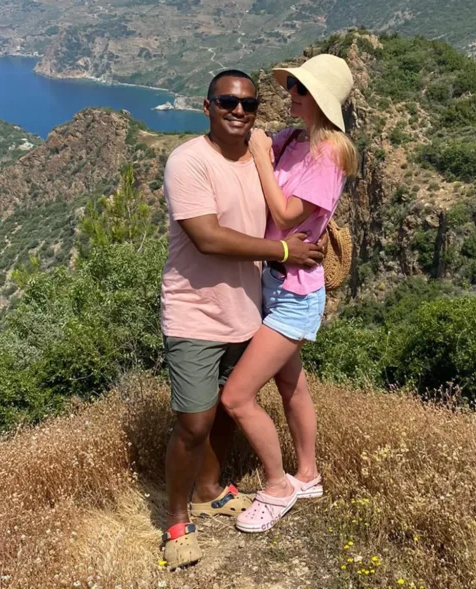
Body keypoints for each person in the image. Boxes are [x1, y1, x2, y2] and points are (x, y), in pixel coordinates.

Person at [159, 69, 324, 570]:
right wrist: (284, 251)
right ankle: (176, 521)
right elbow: (207, 237)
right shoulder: (188, 161)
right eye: (227, 102)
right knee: (194, 422)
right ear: (206, 106)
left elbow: (296, 196)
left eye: (248, 104)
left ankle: (209, 491)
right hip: (194, 311)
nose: (238, 111)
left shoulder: (261, 158)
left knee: (230, 408)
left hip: (248, 309)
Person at [219, 54, 358, 533]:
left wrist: (262, 155)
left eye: (300, 89)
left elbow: (284, 212)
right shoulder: (294, 139)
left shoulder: (331, 153)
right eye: (293, 86)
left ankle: (278, 487)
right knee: (291, 386)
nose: (290, 94)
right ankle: (309, 475)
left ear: (319, 98)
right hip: (273, 282)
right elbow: (249, 152)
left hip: (296, 296)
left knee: (237, 397)